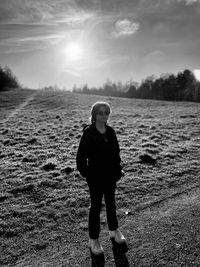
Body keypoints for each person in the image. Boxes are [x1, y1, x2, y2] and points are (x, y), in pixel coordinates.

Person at [76, 101, 127, 255]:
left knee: (111, 203)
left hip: (110, 175)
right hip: (95, 177)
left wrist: (118, 171)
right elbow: (80, 157)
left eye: (106, 112)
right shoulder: (89, 133)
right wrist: (87, 174)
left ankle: (114, 230)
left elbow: (115, 154)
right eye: (100, 112)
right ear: (94, 114)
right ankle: (94, 240)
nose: (104, 115)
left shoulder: (111, 132)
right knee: (96, 207)